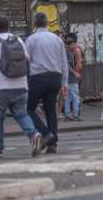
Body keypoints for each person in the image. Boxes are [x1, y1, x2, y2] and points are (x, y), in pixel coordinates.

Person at [0, 17, 44, 158]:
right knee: (22, 114)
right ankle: (34, 134)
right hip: (21, 85)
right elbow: (27, 60)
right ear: (9, 26)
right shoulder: (19, 40)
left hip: (1, 87)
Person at [25, 12, 69, 154]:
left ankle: (46, 134)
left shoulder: (31, 39)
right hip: (55, 77)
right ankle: (53, 144)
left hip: (38, 77)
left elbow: (27, 61)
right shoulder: (57, 39)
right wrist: (65, 83)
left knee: (28, 109)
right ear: (47, 23)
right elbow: (64, 63)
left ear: (35, 23)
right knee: (50, 110)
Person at [63, 33, 83, 121]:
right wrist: (75, 73)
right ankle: (76, 114)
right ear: (69, 45)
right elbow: (67, 66)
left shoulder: (68, 52)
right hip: (71, 78)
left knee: (68, 97)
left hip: (67, 78)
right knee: (76, 97)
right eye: (73, 44)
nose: (75, 46)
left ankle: (67, 114)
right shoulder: (69, 53)